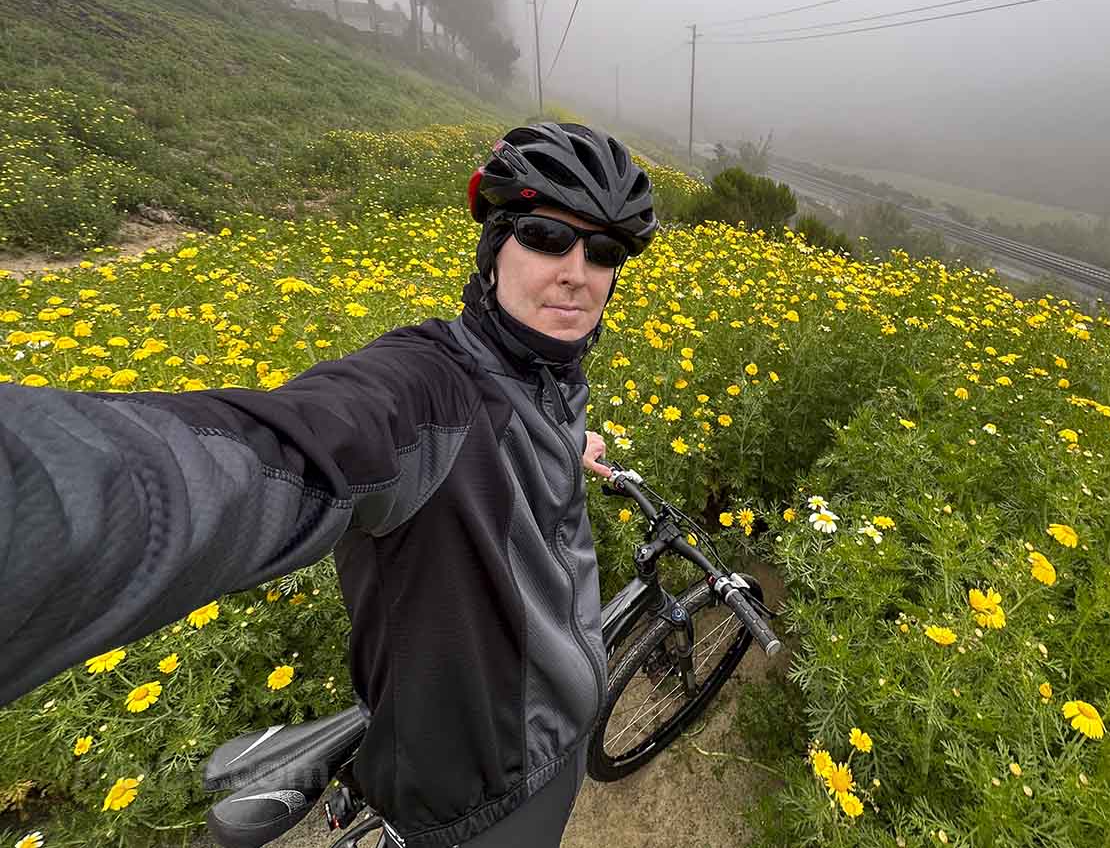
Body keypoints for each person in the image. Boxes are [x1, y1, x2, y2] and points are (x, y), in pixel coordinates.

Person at [0, 122, 658, 847]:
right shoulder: (428, 388)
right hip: (487, 799)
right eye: (544, 235)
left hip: (548, 742)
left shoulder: (547, 378)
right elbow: (278, 454)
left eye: (603, 252)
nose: (578, 271)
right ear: (492, 244)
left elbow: (514, 427)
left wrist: (571, 448)